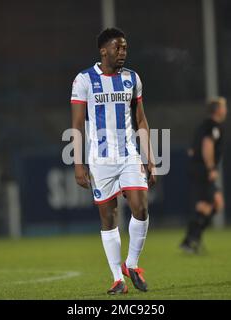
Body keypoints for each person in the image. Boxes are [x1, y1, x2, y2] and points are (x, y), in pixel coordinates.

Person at [70, 28, 156, 295]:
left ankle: (132, 264)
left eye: (125, 48)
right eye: (118, 48)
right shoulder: (84, 80)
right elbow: (76, 124)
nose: (123, 52)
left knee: (140, 207)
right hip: (100, 159)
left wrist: (150, 157)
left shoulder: (132, 79)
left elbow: (140, 119)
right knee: (109, 218)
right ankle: (118, 278)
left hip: (129, 154)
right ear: (103, 50)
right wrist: (78, 163)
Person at [180, 97, 227, 254]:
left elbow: (192, 150)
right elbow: (207, 145)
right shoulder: (212, 126)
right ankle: (190, 240)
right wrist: (211, 168)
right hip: (203, 170)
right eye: (223, 107)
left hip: (197, 169)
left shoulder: (203, 125)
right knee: (205, 206)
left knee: (215, 203)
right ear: (218, 110)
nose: (225, 110)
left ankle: (191, 239)